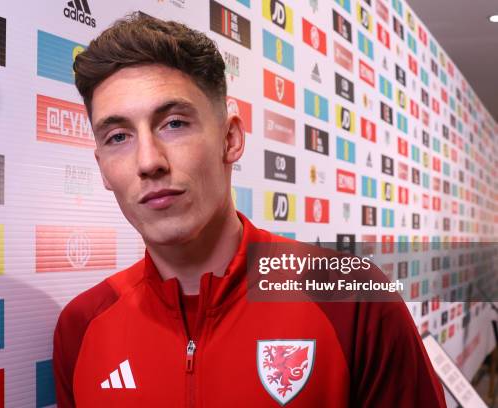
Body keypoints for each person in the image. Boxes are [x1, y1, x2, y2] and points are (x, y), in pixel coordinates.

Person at [53, 12, 446, 407]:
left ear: (231, 139)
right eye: (118, 136)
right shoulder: (81, 326)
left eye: (173, 124)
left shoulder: (350, 299)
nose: (148, 161)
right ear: (102, 166)